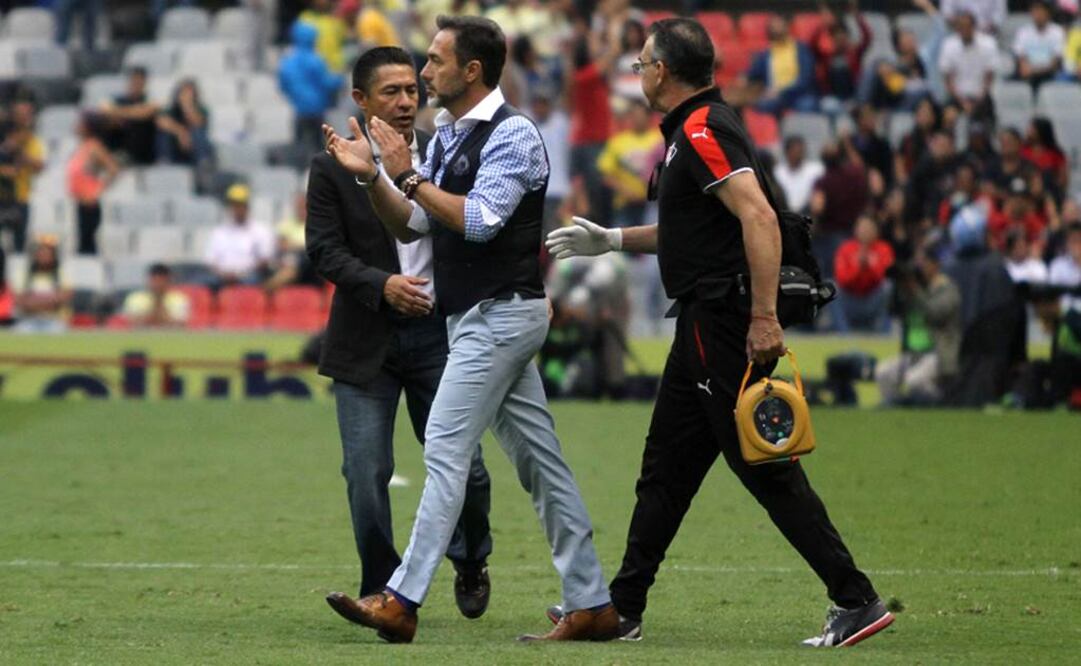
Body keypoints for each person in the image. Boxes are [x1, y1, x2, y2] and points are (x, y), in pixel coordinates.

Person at [545, 17, 892, 647]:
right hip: (704, 321)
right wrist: (613, 240)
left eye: (642, 62)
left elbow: (757, 216)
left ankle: (856, 599)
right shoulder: (695, 130)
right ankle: (623, 608)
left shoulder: (702, 129)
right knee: (666, 468)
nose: (638, 72)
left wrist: (762, 317)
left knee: (764, 465)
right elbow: (701, 232)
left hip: (724, 321)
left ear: (665, 71)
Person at [322, 16, 618, 643]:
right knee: (541, 463)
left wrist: (408, 175)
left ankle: (400, 600)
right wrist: (373, 175)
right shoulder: (451, 134)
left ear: (471, 70)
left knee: (445, 452)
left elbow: (480, 222)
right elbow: (411, 225)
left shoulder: (513, 135)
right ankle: (591, 600)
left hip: (499, 317)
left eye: (433, 62)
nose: (423, 75)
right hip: (481, 318)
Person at [308, 47, 495, 623]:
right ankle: (382, 589)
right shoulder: (331, 167)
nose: (406, 100)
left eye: (412, 89)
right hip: (365, 341)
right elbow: (324, 251)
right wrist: (381, 283)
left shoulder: (447, 152)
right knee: (364, 472)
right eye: (390, 92)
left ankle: (469, 560)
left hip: (440, 336)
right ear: (360, 101)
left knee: (469, 468)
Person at [876, 238, 961, 405]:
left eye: (923, 261)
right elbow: (892, 312)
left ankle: (944, 404)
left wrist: (914, 290)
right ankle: (894, 413)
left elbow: (934, 313)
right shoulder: (916, 288)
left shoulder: (947, 289)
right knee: (883, 372)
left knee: (914, 381)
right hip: (914, 354)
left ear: (935, 264)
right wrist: (898, 286)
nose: (919, 265)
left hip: (938, 354)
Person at [279, 21, 346, 155]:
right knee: (320, 146)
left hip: (299, 110)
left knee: (299, 144)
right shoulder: (315, 60)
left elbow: (284, 85)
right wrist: (339, 79)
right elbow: (326, 83)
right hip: (317, 110)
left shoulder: (287, 61)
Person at [596, 98, 663, 229]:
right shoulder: (618, 141)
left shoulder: (659, 140)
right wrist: (624, 189)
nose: (636, 119)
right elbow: (605, 173)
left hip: (652, 204)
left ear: (648, 116)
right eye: (633, 115)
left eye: (640, 115)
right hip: (624, 204)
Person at [810, 141, 870, 280]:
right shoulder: (856, 174)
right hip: (855, 233)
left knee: (832, 276)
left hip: (831, 235)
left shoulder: (823, 182)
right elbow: (860, 166)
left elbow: (817, 207)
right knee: (853, 273)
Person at [67, 114, 119, 255]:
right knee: (83, 242)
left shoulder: (94, 147)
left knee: (87, 243)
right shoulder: (82, 147)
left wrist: (97, 190)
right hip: (81, 202)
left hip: (90, 202)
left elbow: (113, 169)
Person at [745, 14, 819, 115]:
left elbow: (805, 78)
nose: (776, 29)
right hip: (774, 97)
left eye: (779, 25)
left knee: (807, 104)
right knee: (760, 105)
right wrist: (744, 77)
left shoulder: (801, 49)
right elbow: (754, 72)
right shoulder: (766, 53)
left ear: (787, 27)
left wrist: (781, 91)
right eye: (772, 27)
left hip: (798, 95)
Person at [833, 214, 895, 333]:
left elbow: (885, 277)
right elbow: (842, 279)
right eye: (862, 227)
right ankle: (843, 334)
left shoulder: (884, 249)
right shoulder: (846, 248)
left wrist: (869, 267)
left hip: (872, 300)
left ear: (876, 230)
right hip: (850, 300)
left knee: (888, 286)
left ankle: (883, 333)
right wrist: (859, 269)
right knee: (832, 288)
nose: (865, 231)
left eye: (868, 227)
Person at [204, 184, 275, 287]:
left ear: (247, 206)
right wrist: (224, 275)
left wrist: (240, 274)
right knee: (201, 282)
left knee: (254, 280)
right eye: (233, 205)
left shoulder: (260, 231)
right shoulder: (219, 232)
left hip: (248, 275)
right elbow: (211, 260)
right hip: (222, 276)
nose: (236, 209)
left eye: (240, 205)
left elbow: (264, 260)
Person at [0, 98, 46, 253]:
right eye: (21, 114)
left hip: (19, 198)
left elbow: (39, 166)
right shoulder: (4, 138)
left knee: (19, 244)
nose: (25, 118)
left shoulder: (31, 141)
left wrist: (20, 152)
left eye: (28, 115)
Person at [809, 0, 872, 108]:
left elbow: (867, 38)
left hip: (853, 97)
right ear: (833, 39)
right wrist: (822, 23)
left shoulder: (855, 53)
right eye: (837, 37)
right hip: (832, 98)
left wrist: (857, 16)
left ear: (847, 37)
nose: (840, 39)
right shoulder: (827, 56)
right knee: (829, 106)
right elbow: (813, 45)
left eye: (843, 36)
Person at [937, 11, 997, 120]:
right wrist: (963, 102)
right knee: (948, 115)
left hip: (981, 96)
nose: (964, 30)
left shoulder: (988, 44)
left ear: (974, 27)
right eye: (961, 27)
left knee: (984, 118)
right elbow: (947, 80)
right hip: (957, 97)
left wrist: (978, 100)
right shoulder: (949, 45)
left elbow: (989, 78)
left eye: (967, 26)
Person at [99, 67, 159, 166]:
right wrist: (130, 113)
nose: (136, 83)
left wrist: (119, 113)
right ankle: (107, 155)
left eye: (139, 80)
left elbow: (146, 112)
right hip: (119, 141)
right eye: (134, 79)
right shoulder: (119, 99)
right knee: (106, 122)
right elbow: (104, 108)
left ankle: (125, 157)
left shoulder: (149, 99)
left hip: (142, 150)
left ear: (145, 82)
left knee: (140, 124)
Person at [12, 236, 72, 334]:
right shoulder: (24, 274)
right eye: (41, 253)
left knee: (59, 332)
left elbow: (65, 297)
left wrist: (33, 301)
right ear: (35, 255)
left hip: (54, 320)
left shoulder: (61, 274)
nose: (44, 257)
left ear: (53, 256)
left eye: (48, 254)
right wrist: (50, 301)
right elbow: (19, 300)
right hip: (28, 320)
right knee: (19, 332)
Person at [155, 79, 213, 168]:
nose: (187, 95)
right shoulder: (171, 110)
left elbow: (198, 122)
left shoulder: (201, 109)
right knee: (163, 134)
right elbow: (161, 122)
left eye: (190, 93)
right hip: (175, 148)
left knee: (198, 132)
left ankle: (203, 164)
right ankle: (164, 162)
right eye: (184, 92)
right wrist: (181, 131)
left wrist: (187, 106)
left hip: (193, 149)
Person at [1013, 0, 1065, 92]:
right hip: (1027, 74)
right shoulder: (1023, 32)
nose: (1037, 15)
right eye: (1035, 11)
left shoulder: (1057, 32)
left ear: (1048, 13)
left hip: (1049, 74)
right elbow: (1021, 59)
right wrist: (1026, 69)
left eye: (1040, 11)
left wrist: (1035, 71)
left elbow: (1055, 63)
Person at [121, 263, 191, 327]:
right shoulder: (135, 298)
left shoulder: (179, 298)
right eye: (155, 281)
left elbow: (181, 324)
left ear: (169, 281)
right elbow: (131, 323)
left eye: (162, 281)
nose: (158, 285)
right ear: (149, 280)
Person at [773, 135, 824, 215]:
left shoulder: (816, 170)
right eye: (796, 151)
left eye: (801, 151)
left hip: (808, 215)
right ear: (787, 152)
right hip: (784, 214)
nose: (799, 154)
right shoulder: (777, 173)